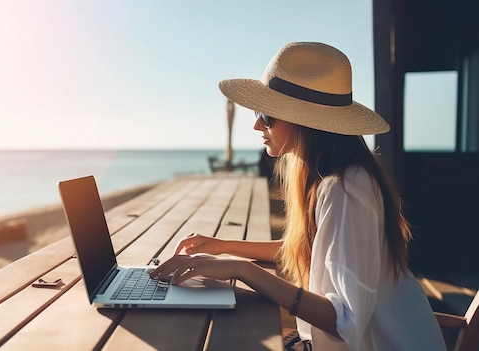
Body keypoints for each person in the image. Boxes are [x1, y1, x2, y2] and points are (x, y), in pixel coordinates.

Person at [150, 42, 446, 350]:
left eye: (266, 115)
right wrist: (224, 247)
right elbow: (315, 250)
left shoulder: (345, 189)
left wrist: (242, 269)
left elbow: (344, 321)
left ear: (303, 120)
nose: (256, 124)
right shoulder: (336, 179)